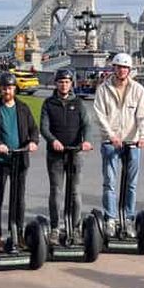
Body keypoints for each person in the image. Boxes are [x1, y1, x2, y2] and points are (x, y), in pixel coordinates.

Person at [92, 53, 144, 237]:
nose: (122, 70)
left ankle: (129, 218)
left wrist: (143, 136)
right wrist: (111, 135)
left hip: (132, 143)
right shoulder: (103, 89)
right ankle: (110, 218)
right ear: (113, 68)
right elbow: (99, 115)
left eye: (125, 68)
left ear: (129, 70)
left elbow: (143, 115)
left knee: (131, 184)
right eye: (118, 67)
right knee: (110, 183)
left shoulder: (138, 89)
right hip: (111, 143)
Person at [0, 72, 39, 251]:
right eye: (5, 88)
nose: (7, 91)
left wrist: (33, 142)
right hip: (0, 161)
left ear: (15, 89)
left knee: (18, 199)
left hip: (19, 159)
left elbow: (33, 129)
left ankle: (17, 233)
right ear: (0, 89)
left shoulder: (23, 108)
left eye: (11, 87)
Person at [40, 67, 94, 244]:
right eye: (61, 82)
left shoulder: (78, 103)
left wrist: (86, 141)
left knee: (75, 192)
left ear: (71, 83)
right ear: (56, 83)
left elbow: (87, 125)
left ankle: (75, 228)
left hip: (75, 152)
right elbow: (44, 127)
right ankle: (55, 227)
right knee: (56, 191)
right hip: (55, 154)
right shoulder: (48, 104)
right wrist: (52, 140)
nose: (64, 85)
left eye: (67, 82)